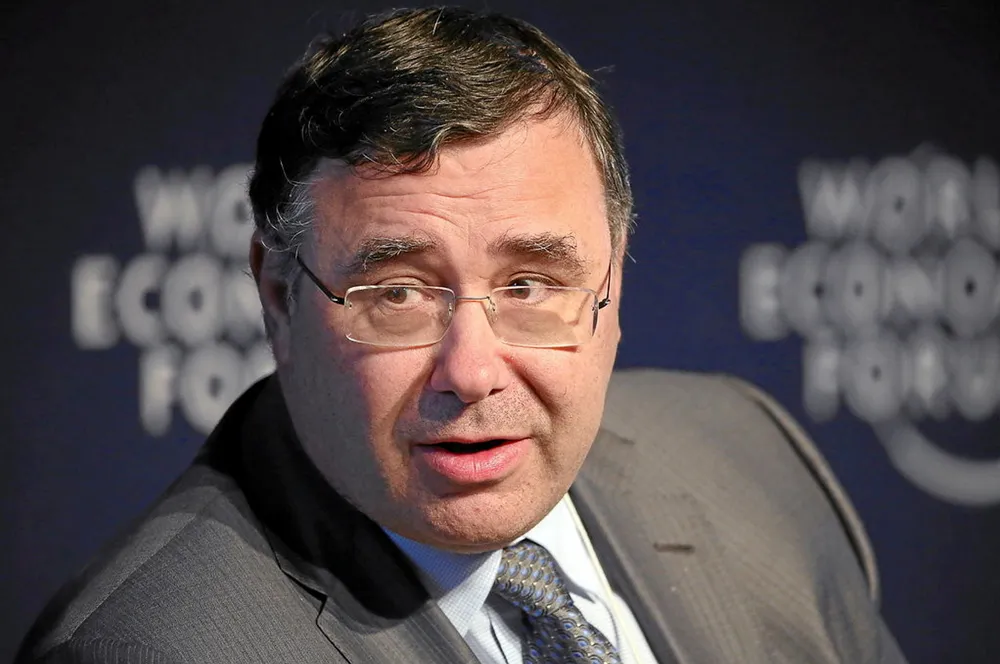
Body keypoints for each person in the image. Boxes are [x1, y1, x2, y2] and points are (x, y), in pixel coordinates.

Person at [17, 6, 907, 663]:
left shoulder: (750, 451)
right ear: (280, 298)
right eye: (400, 294)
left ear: (613, 280)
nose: (473, 371)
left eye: (529, 285)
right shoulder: (151, 646)